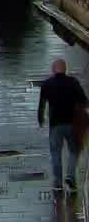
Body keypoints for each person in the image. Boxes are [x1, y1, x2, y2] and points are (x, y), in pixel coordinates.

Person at [39, 58, 88, 189]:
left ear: (53, 69)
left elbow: (42, 104)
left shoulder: (47, 84)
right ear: (65, 69)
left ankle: (58, 182)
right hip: (72, 123)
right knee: (74, 150)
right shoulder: (73, 82)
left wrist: (40, 119)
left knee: (55, 153)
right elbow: (84, 100)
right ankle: (70, 176)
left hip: (55, 125)